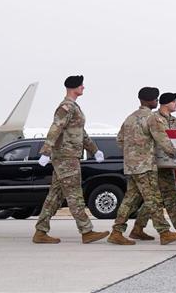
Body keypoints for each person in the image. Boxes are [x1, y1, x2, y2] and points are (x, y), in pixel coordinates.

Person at [32, 75, 109, 244]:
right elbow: (56, 128)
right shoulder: (66, 107)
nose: (83, 87)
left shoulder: (75, 107)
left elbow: (81, 133)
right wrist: (46, 151)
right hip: (65, 157)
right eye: (81, 85)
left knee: (55, 196)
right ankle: (87, 231)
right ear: (73, 87)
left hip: (69, 155)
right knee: (75, 194)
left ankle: (40, 231)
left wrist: (94, 150)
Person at [108, 87, 176, 246]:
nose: (157, 101)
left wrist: (132, 154)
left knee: (130, 200)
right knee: (154, 199)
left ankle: (116, 232)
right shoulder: (152, 118)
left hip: (132, 166)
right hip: (145, 166)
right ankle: (164, 233)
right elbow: (162, 139)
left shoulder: (129, 118)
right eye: (155, 99)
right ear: (149, 100)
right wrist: (174, 155)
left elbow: (119, 140)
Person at [129, 92, 176, 241]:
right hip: (155, 165)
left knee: (169, 197)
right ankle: (174, 229)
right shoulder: (153, 118)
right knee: (155, 200)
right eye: (174, 102)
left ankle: (141, 228)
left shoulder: (175, 120)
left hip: (168, 166)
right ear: (166, 103)